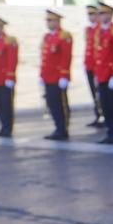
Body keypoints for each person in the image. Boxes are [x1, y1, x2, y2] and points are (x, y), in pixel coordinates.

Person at [93, 1, 113, 145]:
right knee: (104, 105)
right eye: (98, 13)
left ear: (110, 15)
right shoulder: (99, 32)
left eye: (102, 13)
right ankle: (109, 132)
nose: (99, 16)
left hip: (111, 74)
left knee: (112, 105)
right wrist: (96, 74)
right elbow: (97, 55)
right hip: (101, 74)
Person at [40, 9, 72, 140]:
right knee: (51, 103)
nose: (48, 23)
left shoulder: (64, 36)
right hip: (48, 76)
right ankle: (57, 127)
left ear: (57, 21)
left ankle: (62, 128)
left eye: (50, 20)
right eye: (47, 20)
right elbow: (45, 58)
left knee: (60, 104)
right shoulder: (47, 37)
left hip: (58, 77)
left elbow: (66, 57)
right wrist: (42, 75)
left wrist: (64, 75)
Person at [84, 4, 102, 127]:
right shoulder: (88, 30)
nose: (90, 16)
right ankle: (98, 115)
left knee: (100, 92)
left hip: (98, 67)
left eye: (93, 14)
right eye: (89, 14)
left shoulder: (101, 29)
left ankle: (103, 114)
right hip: (90, 65)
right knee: (93, 92)